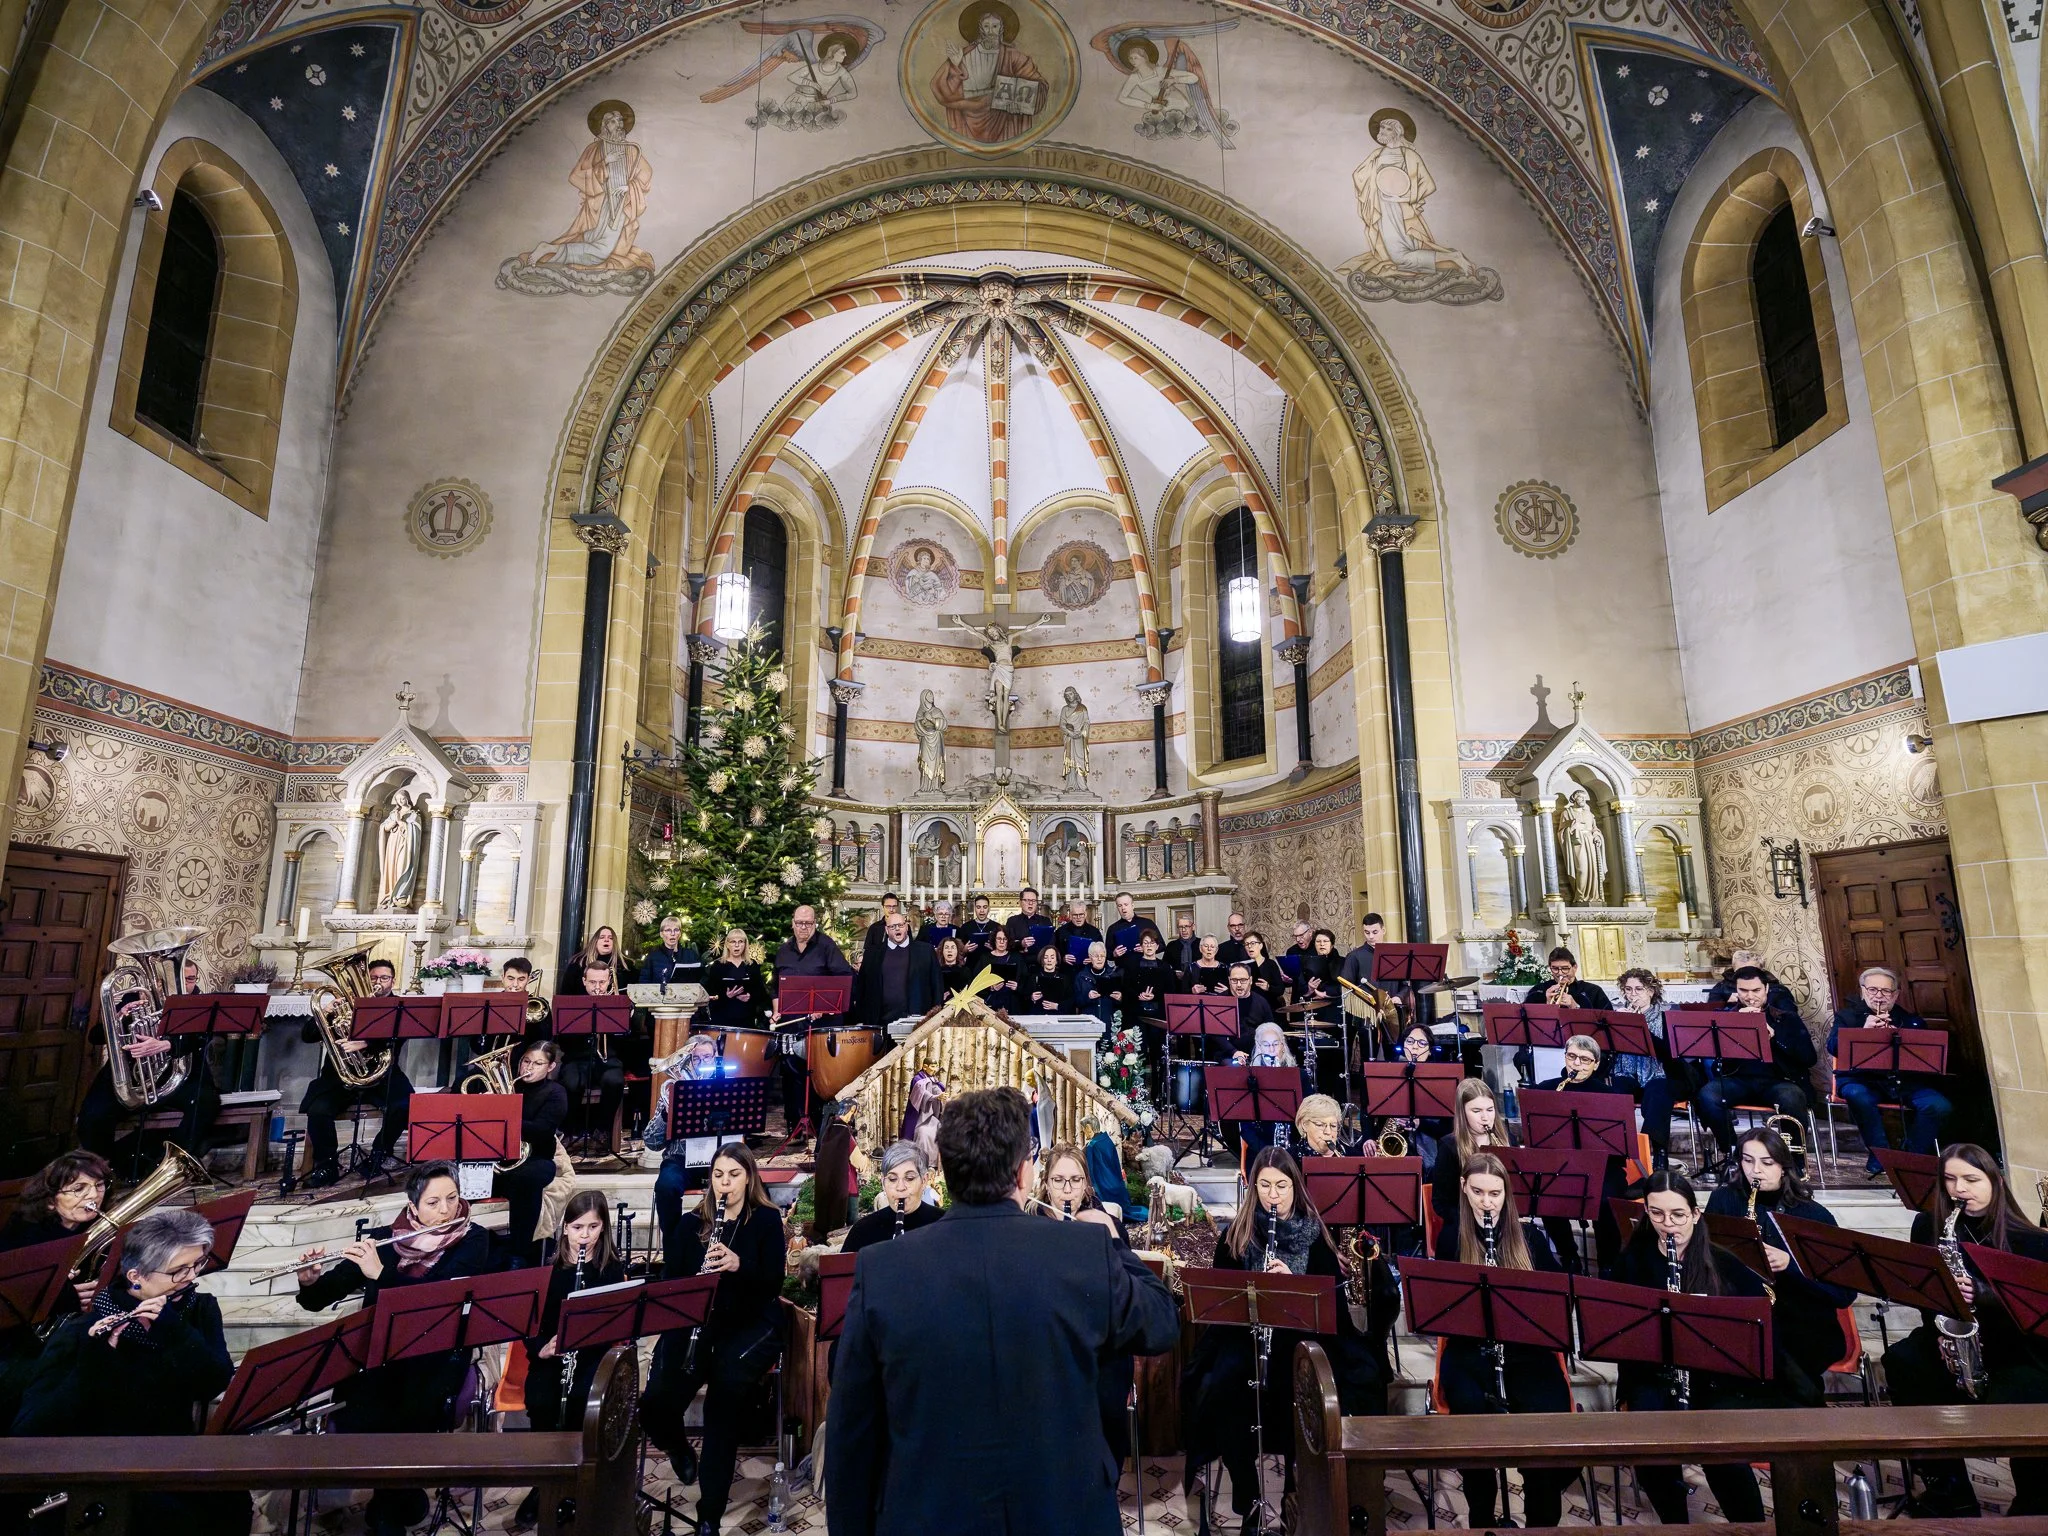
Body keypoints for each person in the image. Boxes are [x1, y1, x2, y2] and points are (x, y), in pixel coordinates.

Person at [826, 1087, 1178, 1536]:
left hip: (930, 1513)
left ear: (945, 1173)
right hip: (1063, 1511)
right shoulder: (1084, 1253)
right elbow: (1162, 1324)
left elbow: (851, 1432)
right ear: (1025, 1173)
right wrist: (1110, 1240)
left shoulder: (883, 1268)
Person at [1182, 1147, 1398, 1527]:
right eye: (1264, 1185)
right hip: (1248, 1338)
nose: (1273, 1195)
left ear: (1295, 1188)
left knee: (1310, 1387)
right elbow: (1222, 1304)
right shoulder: (1237, 1235)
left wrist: (1292, 1288)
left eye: (1281, 1185)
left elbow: (1330, 1309)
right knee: (1221, 1387)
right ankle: (1247, 1498)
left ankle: (1294, 1492)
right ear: (1254, 1188)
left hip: (1302, 1341)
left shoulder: (1315, 1237)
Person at [11, 1206, 244, 1533]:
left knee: (232, 1502)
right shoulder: (81, 1332)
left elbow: (213, 1381)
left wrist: (173, 1331)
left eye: (197, 1264)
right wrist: (95, 1360)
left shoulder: (199, 1311)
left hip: (171, 1461)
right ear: (136, 1277)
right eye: (179, 1270)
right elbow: (30, 1428)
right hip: (102, 1471)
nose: (192, 1277)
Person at [293, 1162, 492, 1536]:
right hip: (380, 1357)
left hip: (436, 1356)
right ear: (413, 1208)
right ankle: (398, 1495)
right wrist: (310, 1282)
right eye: (433, 1202)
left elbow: (434, 1299)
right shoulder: (385, 1240)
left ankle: (387, 1510)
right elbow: (319, 1301)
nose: (446, 1210)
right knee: (369, 1398)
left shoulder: (473, 1239)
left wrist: (380, 1276)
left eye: (452, 1198)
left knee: (411, 1403)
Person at [1882, 1142, 2048, 1516]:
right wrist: (1941, 1331)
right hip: (1955, 1337)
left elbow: (2037, 1316)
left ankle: (2036, 1497)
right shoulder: (1928, 1226)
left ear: (1996, 1182)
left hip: (2014, 1345)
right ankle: (1949, 1487)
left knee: (2028, 1395)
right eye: (1951, 1180)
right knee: (1903, 1361)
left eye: (1971, 1179)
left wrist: (1986, 1295)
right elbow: (1926, 1295)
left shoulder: (2031, 1241)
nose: (1960, 1189)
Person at [644, 1144, 788, 1535]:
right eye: (719, 1175)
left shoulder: (765, 1221)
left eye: (734, 1175)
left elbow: (773, 1283)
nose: (725, 1183)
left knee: (722, 1408)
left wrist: (739, 1264)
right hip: (697, 1323)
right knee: (654, 1403)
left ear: (750, 1178)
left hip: (748, 1324)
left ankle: (709, 1513)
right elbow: (670, 1280)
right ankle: (676, 1446)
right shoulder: (694, 1224)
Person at [1431, 1152, 1581, 1529]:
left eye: (1495, 1193)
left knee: (1546, 1430)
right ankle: (1483, 1518)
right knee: (1471, 1422)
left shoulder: (1528, 1236)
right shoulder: (1452, 1236)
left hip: (1526, 1350)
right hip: (1470, 1350)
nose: (1487, 1202)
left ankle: (1540, 1522)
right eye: (1478, 1192)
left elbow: (1558, 1296)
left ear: (1506, 1194)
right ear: (1464, 1189)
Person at [1614, 1171, 1771, 1525]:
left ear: (1696, 1214)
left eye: (1678, 1215)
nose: (1668, 1224)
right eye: (1656, 1214)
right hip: (1653, 1375)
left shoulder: (1721, 1261)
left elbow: (1755, 1322)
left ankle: (1751, 1528)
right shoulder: (1632, 1262)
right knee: (1652, 1455)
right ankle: (1675, 1524)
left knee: (1726, 1460)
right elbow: (1618, 1330)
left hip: (1714, 1379)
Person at [1704, 1126, 1854, 1404]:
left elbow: (1844, 1293)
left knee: (1773, 1363)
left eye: (1767, 1163)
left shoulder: (1812, 1215)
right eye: (1747, 1161)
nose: (1755, 1171)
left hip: (1801, 1326)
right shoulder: (1724, 1200)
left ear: (1784, 1168)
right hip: (1745, 1318)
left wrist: (1791, 1265)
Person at [514, 1189, 627, 1528]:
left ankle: (580, 1483)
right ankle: (544, 1484)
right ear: (564, 1228)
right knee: (542, 1399)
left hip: (592, 1357)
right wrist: (542, 1348)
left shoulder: (610, 1269)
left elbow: (615, 1326)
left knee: (583, 1401)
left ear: (603, 1229)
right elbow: (528, 1326)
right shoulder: (549, 1271)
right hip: (552, 1358)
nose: (585, 1236)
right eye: (578, 1228)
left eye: (593, 1227)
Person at [74, 963, 223, 1160]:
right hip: (133, 1076)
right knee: (93, 1115)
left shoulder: (197, 1002)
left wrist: (165, 1045)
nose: (186, 984)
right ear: (159, 981)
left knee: (207, 1102)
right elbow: (95, 1037)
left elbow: (202, 1037)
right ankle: (107, 1167)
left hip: (179, 1076)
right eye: (179, 979)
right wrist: (118, 1018)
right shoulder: (133, 999)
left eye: (190, 979)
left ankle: (169, 1163)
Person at [300, 955, 415, 1189]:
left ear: (392, 981)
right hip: (339, 1076)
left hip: (380, 1075)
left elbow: (400, 1038)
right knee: (318, 1109)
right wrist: (324, 1013)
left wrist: (366, 1044)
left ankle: (379, 1154)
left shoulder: (398, 1006)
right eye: (374, 977)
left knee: (405, 1105)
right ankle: (326, 1166)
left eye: (384, 978)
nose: (378, 982)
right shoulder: (343, 1003)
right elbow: (307, 1036)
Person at [1829, 965, 1952, 1175]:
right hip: (1860, 1080)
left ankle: (1909, 1158)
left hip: (1903, 1082)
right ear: (1863, 991)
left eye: (1886, 991)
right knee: (1859, 1096)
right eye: (1873, 990)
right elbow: (1832, 1046)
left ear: (1895, 995)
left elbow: (1923, 1060)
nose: (1879, 996)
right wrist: (1863, 1032)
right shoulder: (1847, 1017)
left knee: (1939, 1105)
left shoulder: (1910, 1020)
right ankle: (1880, 1154)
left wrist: (1897, 1038)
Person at [1697, 966, 1817, 1167]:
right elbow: (1714, 1058)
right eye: (1744, 991)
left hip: (1778, 1081)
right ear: (1737, 990)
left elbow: (1808, 1058)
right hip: (1739, 1080)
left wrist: (1774, 1037)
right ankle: (1733, 1152)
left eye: (1756, 991)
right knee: (1707, 1096)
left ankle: (1793, 1161)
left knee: (1792, 1098)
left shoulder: (1786, 1018)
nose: (1750, 996)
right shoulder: (1725, 1018)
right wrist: (1734, 1026)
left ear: (1766, 989)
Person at [1535, 1032, 1631, 1271]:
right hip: (1562, 1165)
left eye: (1585, 1059)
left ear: (1596, 1064)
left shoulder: (1609, 1096)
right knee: (1545, 1193)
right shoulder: (1545, 1090)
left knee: (1607, 1200)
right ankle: (1569, 1256)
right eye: (1572, 1056)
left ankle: (1609, 1264)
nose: (1576, 1064)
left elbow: (1620, 1149)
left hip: (1604, 1167)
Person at [496, 1040, 567, 1259]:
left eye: (538, 1063)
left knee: (528, 1181)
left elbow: (542, 1130)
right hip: (500, 1159)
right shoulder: (507, 1088)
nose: (528, 1068)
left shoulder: (555, 1092)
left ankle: (520, 1253)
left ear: (550, 1067)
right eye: (526, 1061)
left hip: (537, 1158)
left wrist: (503, 1116)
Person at [1616, 966, 1685, 1172]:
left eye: (1638, 989)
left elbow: (1669, 1053)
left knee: (1658, 1095)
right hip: (1627, 1072)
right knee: (1616, 1092)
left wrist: (1640, 1028)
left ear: (1651, 991)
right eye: (1628, 990)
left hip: (1659, 1072)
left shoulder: (1667, 1015)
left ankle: (1658, 1154)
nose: (1633, 995)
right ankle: (1619, 1153)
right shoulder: (1619, 1015)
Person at [557, 957, 628, 1153]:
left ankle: (601, 1132)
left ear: (609, 982)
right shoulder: (572, 1006)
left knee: (614, 1081)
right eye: (593, 982)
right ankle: (570, 1132)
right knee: (571, 1083)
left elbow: (625, 1043)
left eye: (602, 982)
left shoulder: (618, 1005)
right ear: (584, 982)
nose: (598, 987)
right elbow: (562, 1040)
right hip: (577, 1058)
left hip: (608, 1060)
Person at [1433, 1077, 1511, 1232]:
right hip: (1465, 1227)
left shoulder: (1508, 1140)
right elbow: (1441, 1204)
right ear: (1463, 1113)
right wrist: (1474, 1219)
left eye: (1490, 1110)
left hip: (1504, 1224)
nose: (1485, 1118)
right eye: (1476, 1111)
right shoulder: (1449, 1146)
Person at [842, 1141, 943, 1252]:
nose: (900, 1187)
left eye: (909, 1178)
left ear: (924, 1180)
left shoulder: (944, 1225)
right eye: (892, 1179)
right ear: (883, 1182)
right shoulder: (862, 1231)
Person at [854, 910, 944, 1028]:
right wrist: (861, 1018)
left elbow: (937, 985)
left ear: (906, 927)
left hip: (918, 1020)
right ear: (886, 930)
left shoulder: (925, 951)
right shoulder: (872, 954)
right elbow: (862, 988)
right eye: (892, 926)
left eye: (900, 925)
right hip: (879, 1021)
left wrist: (935, 1016)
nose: (897, 929)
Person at [558, 925, 632, 994]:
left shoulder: (625, 965)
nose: (606, 940)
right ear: (595, 941)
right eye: (602, 937)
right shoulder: (578, 963)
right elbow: (566, 992)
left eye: (610, 938)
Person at [641, 914, 703, 989]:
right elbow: (643, 984)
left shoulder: (690, 955)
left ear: (680, 933)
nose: (672, 934)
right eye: (668, 930)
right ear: (661, 934)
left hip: (684, 998)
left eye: (676, 930)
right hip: (659, 999)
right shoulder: (652, 957)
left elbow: (699, 980)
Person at [1297, 927, 1344, 1023]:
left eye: (1325, 941)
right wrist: (1309, 989)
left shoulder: (1343, 962)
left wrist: (1324, 993)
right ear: (1314, 944)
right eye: (1318, 941)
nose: (1322, 944)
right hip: (1314, 1010)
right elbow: (1300, 988)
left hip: (1335, 1009)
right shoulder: (1306, 962)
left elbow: (1345, 986)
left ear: (1332, 945)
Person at [1073, 940, 1121, 1030]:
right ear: (1090, 958)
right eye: (1096, 956)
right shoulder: (1081, 976)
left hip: (1109, 1024)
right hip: (1088, 1024)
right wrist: (1087, 997)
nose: (1099, 959)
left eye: (1102, 956)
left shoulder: (1114, 975)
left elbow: (1124, 1003)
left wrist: (1120, 998)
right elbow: (1076, 1001)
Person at [1104, 892, 1160, 968]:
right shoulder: (1113, 928)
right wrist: (1114, 954)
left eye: (1126, 905)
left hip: (1146, 967)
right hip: (1123, 970)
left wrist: (1146, 948)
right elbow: (1106, 953)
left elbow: (1162, 945)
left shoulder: (1147, 923)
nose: (1123, 908)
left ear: (1133, 905)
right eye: (1120, 906)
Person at [503, 955, 552, 1042]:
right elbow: (477, 1047)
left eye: (521, 979)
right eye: (510, 979)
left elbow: (545, 1040)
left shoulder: (541, 1005)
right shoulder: (490, 1003)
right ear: (502, 978)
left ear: (528, 980)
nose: (515, 984)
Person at [1020, 940, 1069, 1015]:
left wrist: (1057, 1006)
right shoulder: (1033, 977)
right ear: (1042, 960)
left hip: (1057, 1016)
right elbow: (1024, 1000)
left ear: (1056, 961)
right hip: (1037, 1016)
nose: (1049, 960)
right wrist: (1032, 998)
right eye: (1046, 957)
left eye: (1052, 958)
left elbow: (1070, 1000)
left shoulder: (1064, 979)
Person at [1340, 911, 1386, 989]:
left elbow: (1404, 985)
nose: (1371, 936)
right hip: (1365, 1001)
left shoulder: (1394, 954)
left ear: (1383, 931)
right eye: (1367, 932)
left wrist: (1399, 997)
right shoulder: (1353, 956)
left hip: (1394, 1001)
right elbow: (1347, 987)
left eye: (1375, 932)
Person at [1054, 898, 1103, 971]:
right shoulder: (1061, 931)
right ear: (1070, 915)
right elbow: (1054, 951)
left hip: (1089, 972)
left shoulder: (1095, 932)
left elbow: (1102, 953)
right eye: (1075, 915)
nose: (1078, 918)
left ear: (1085, 914)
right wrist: (1063, 958)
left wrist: (1094, 959)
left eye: (1081, 914)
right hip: (1067, 972)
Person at [1002, 887, 1052, 955]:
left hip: (1040, 961)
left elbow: (1052, 943)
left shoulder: (1045, 921)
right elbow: (1007, 944)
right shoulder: (1012, 921)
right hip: (1019, 960)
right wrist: (1021, 944)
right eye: (1027, 900)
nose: (1030, 903)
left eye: (1034, 900)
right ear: (1020, 902)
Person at [861, 893, 907, 964]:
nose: (891, 910)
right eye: (888, 906)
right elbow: (868, 950)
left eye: (894, 906)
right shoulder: (875, 927)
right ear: (883, 907)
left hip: (899, 962)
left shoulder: (904, 926)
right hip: (878, 963)